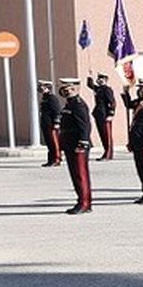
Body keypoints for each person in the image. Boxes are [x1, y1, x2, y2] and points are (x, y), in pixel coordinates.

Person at [57, 78, 93, 213]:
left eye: (69, 89)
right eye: (64, 90)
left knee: (80, 175)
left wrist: (83, 141)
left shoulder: (78, 104)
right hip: (70, 143)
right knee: (75, 174)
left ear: (75, 89)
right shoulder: (70, 104)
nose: (66, 92)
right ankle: (82, 201)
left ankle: (84, 203)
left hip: (78, 144)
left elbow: (85, 125)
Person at [86, 73, 117, 159]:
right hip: (99, 114)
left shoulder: (107, 90)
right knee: (102, 135)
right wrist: (89, 77)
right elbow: (90, 85)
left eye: (102, 79)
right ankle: (105, 152)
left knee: (107, 136)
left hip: (105, 115)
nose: (100, 80)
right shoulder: (99, 89)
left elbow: (112, 102)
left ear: (106, 80)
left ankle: (108, 154)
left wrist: (111, 114)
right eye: (99, 79)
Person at [37, 81, 64, 167]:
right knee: (49, 142)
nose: (41, 88)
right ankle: (50, 159)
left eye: (43, 87)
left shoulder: (52, 98)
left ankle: (57, 159)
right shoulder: (45, 98)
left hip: (52, 124)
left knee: (54, 142)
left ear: (48, 88)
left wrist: (56, 122)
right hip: (46, 123)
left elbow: (56, 111)